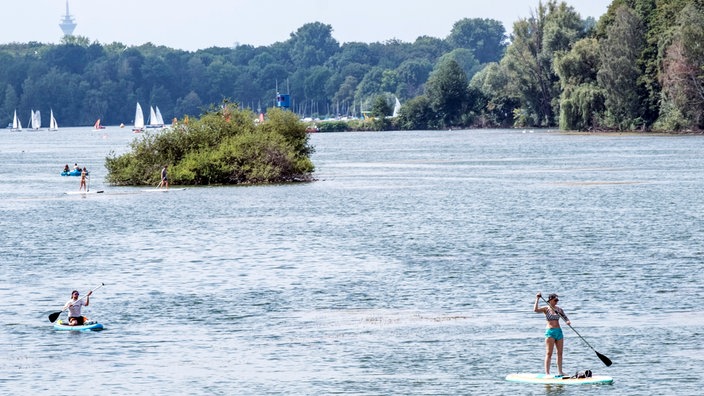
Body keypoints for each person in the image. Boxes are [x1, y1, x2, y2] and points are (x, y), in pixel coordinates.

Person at [534, 292, 571, 376]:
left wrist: (567, 321)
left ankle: (560, 372)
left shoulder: (559, 309)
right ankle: (547, 373)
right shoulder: (546, 309)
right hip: (550, 332)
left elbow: (565, 317)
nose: (556, 301)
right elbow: (535, 310)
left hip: (559, 332)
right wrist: (537, 298)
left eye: (557, 300)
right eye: (555, 300)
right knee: (549, 353)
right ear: (550, 300)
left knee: (560, 353)